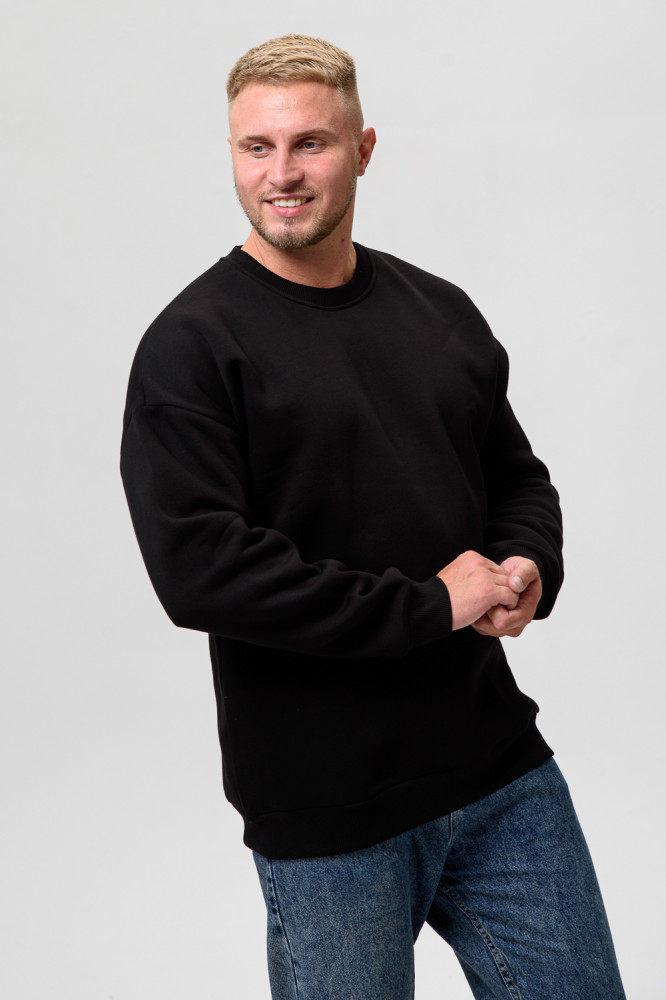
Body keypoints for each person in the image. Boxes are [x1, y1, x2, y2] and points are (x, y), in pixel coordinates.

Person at [120, 33, 625, 1000]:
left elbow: (518, 479)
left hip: (496, 768)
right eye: (257, 147)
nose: (281, 174)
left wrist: (528, 563)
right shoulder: (193, 344)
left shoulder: (439, 311)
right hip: (327, 804)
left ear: (363, 150)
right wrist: (429, 606)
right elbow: (203, 572)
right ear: (232, 154)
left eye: (309, 143)